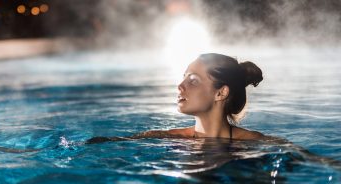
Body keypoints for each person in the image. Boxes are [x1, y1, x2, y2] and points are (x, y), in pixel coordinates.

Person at [87, 53, 265, 144]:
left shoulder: (257, 143)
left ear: (221, 93)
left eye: (193, 80)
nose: (180, 86)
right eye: (184, 77)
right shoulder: (160, 137)